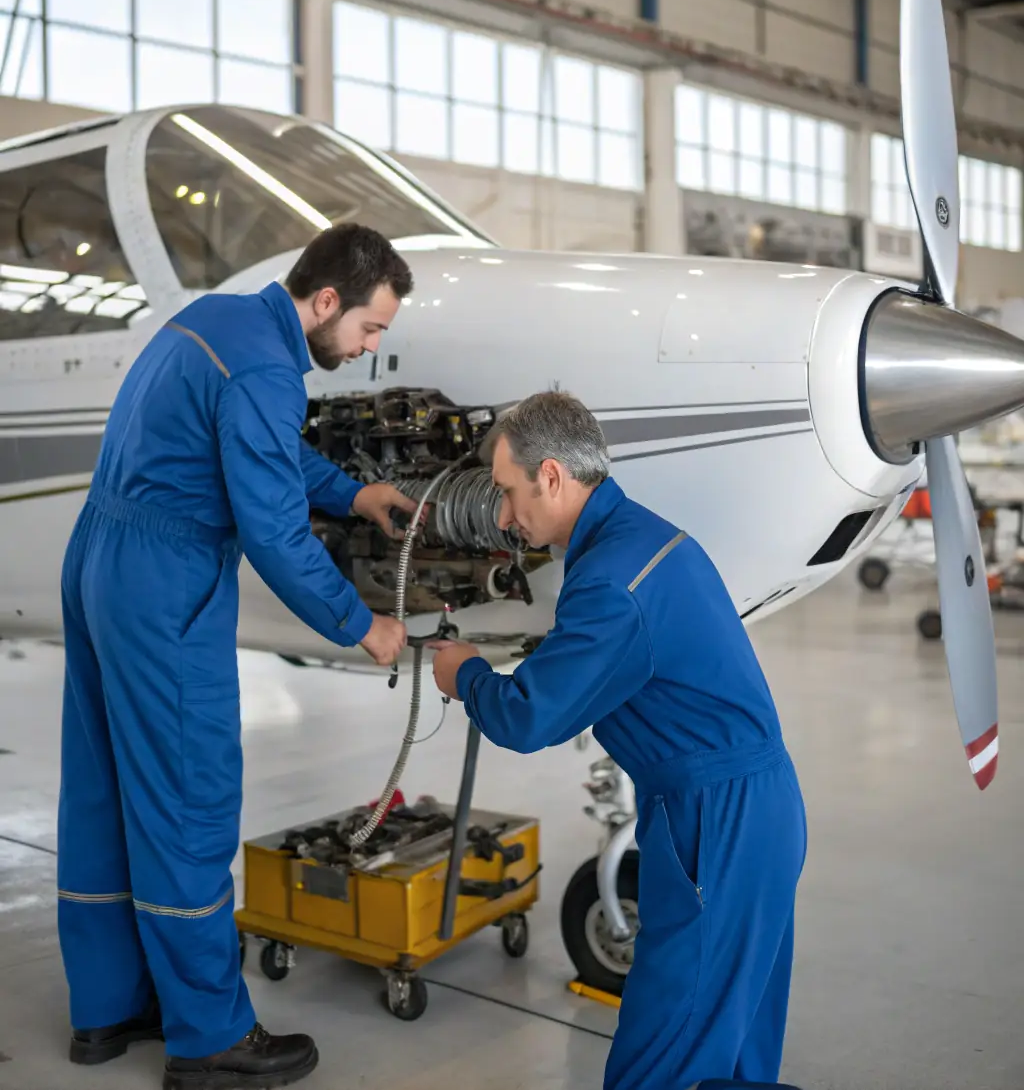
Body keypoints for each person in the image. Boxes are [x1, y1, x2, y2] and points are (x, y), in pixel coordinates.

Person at [58, 224, 415, 1090]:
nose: (372, 347)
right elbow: (274, 533)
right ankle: (210, 1037)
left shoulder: (220, 321)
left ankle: (109, 1007)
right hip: (166, 581)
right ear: (326, 301)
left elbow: (261, 445)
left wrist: (352, 488)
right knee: (187, 796)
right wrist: (360, 624)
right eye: (371, 327)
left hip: (101, 556)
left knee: (106, 788)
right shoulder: (265, 367)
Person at [432, 391, 807, 1090]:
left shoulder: (610, 580)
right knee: (733, 1046)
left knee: (660, 1063)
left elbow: (528, 718)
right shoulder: (642, 537)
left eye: (509, 492)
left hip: (714, 824)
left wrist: (467, 675)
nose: (506, 517)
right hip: (755, 806)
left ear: (551, 475)